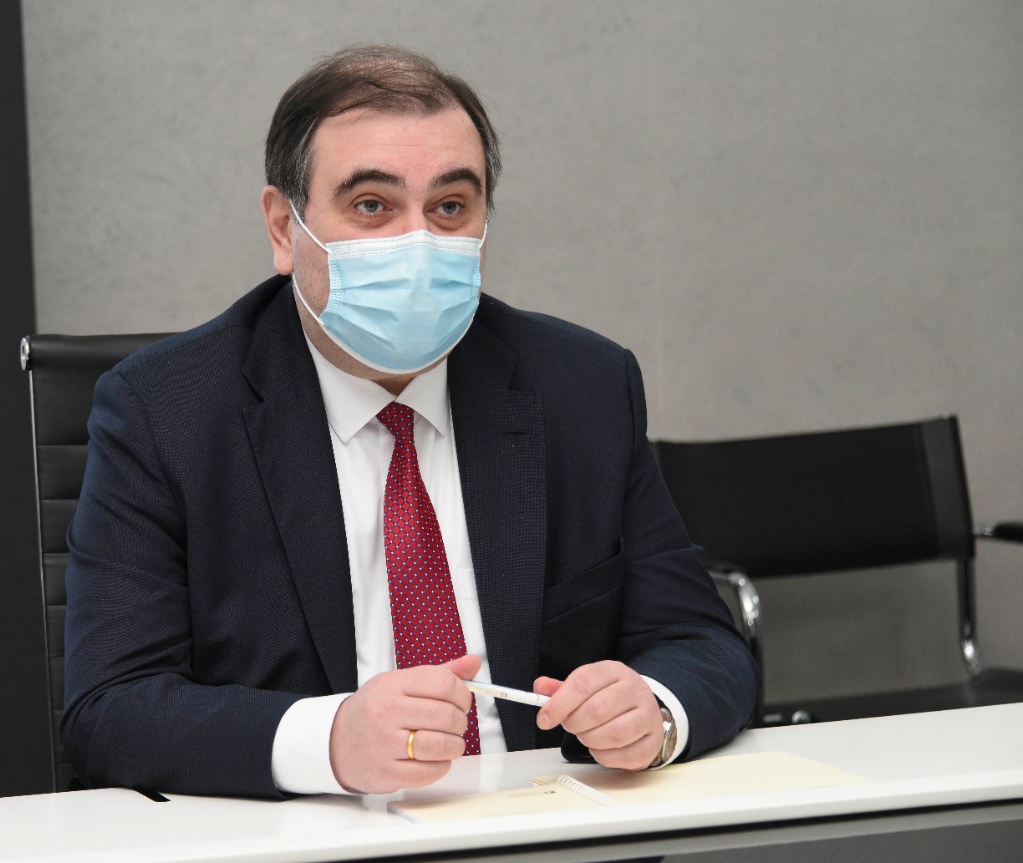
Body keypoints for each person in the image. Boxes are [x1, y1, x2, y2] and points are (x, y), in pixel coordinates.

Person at [62, 44, 758, 800]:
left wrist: (653, 708)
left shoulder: (580, 386)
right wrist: (330, 740)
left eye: (450, 207)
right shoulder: (165, 411)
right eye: (372, 206)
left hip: (547, 824)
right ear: (284, 228)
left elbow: (700, 641)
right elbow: (111, 709)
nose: (418, 243)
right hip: (316, 832)